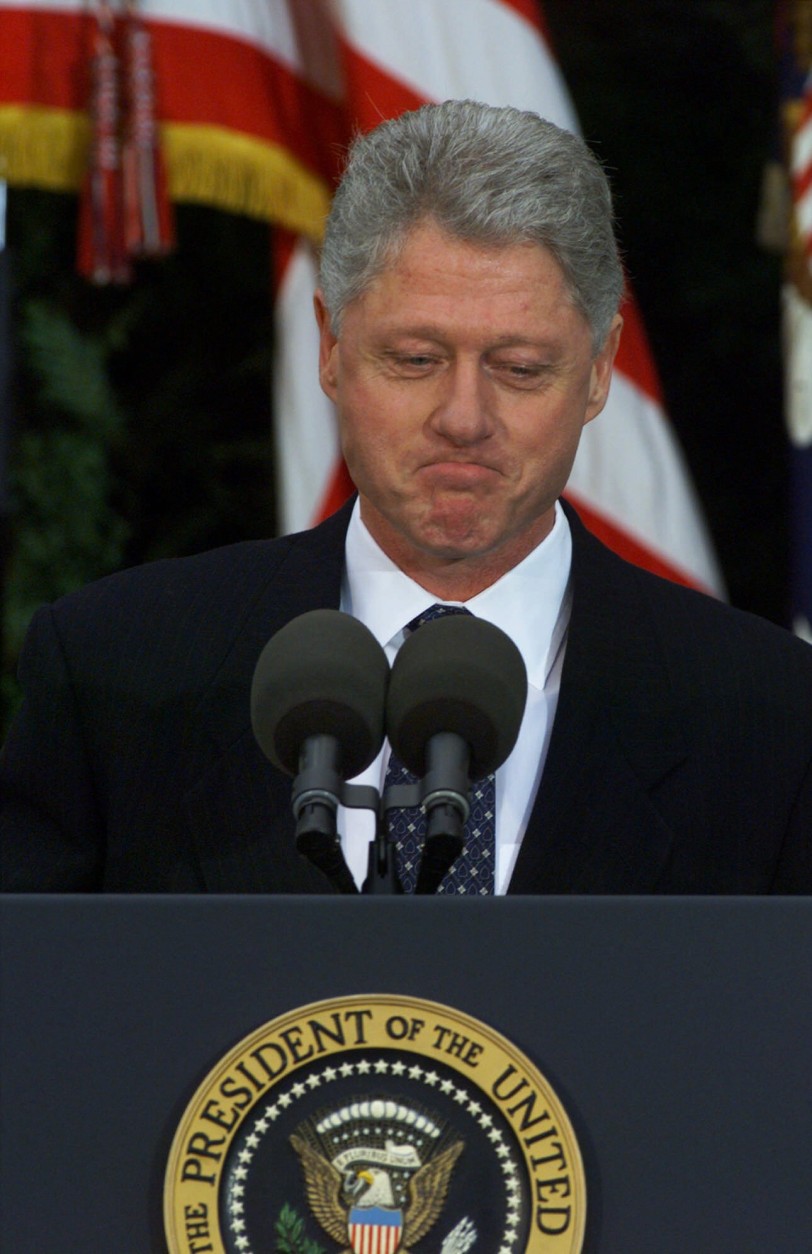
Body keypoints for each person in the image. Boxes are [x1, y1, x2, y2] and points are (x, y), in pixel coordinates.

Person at [1, 99, 811, 893]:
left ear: (600, 371)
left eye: (520, 368)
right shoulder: (117, 674)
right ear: (330, 347)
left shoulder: (770, 720)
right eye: (416, 359)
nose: (464, 419)